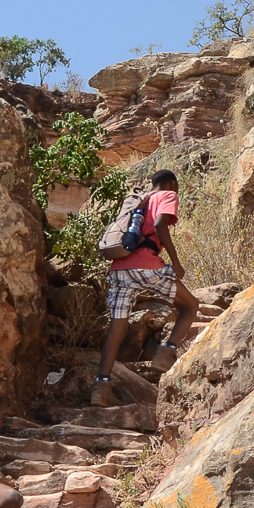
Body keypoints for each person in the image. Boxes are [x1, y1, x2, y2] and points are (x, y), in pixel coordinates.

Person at [91, 168, 199, 407]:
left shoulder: (141, 200)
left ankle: (101, 387)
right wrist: (176, 261)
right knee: (191, 306)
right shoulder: (168, 195)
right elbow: (161, 225)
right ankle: (165, 352)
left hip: (119, 269)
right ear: (171, 183)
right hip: (147, 265)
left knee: (116, 328)